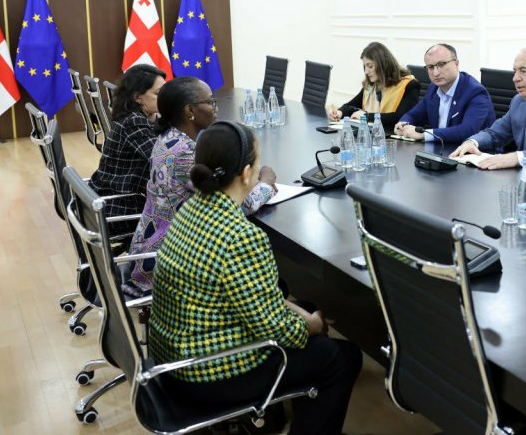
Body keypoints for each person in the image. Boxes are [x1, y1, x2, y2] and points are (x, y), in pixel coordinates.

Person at [149, 121, 362, 434]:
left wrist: (301, 312)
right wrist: (313, 324)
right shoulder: (242, 236)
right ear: (247, 173)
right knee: (341, 358)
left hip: (173, 358)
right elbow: (279, 330)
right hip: (208, 375)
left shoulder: (191, 209)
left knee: (301, 306)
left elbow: (253, 296)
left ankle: (277, 415)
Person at [123, 77, 278, 297]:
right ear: (190, 110)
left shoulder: (168, 138)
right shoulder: (184, 154)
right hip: (166, 264)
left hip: (152, 247)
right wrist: (266, 184)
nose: (215, 107)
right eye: (210, 102)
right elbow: (235, 205)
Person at [89, 64, 166, 225]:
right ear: (138, 97)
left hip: (108, 197)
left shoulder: (135, 116)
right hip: (120, 206)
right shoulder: (133, 121)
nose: (165, 97)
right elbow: (163, 158)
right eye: (158, 93)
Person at [394, 43, 495, 144]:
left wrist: (424, 134)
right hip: (441, 148)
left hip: (475, 151)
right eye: (430, 67)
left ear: (456, 63)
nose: (436, 73)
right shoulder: (434, 88)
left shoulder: (475, 92)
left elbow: (467, 130)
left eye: (441, 65)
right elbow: (413, 115)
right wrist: (403, 124)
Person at [326, 41, 420, 133]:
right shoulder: (371, 86)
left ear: (384, 64)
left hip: (395, 139)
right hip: (372, 136)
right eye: (365, 67)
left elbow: (400, 117)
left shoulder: (409, 85)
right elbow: (350, 106)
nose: (366, 71)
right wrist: (340, 112)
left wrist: (366, 116)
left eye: (370, 66)